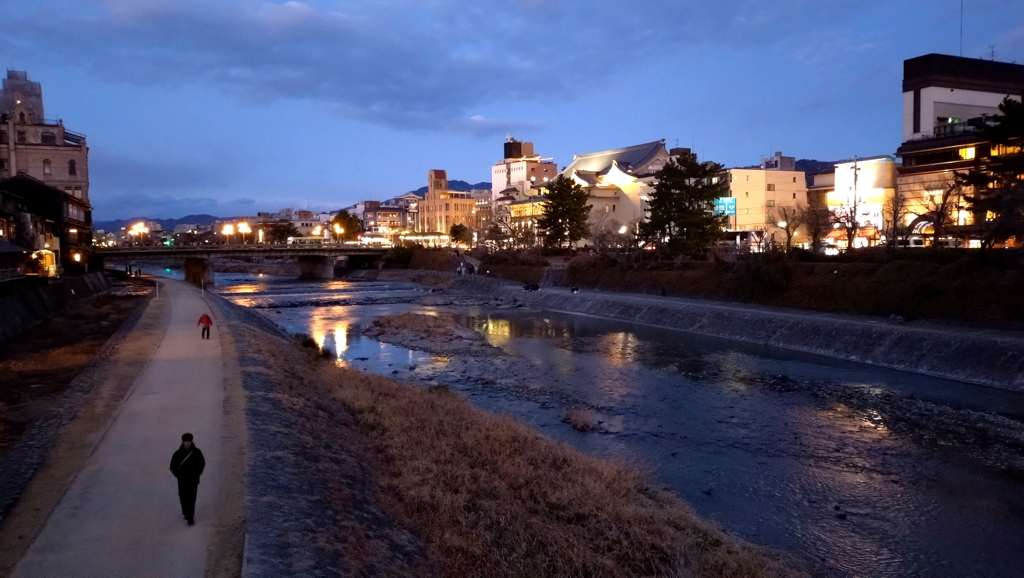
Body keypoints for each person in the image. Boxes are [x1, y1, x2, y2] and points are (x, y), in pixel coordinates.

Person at [169, 433, 206, 526]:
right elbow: (172, 466)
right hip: (182, 480)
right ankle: (186, 512)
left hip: (193, 479)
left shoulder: (197, 452)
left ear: (191, 441)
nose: (187, 444)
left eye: (188, 441)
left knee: (192, 498)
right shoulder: (177, 454)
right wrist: (178, 475)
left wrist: (197, 473)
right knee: (183, 498)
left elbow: (202, 463)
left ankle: (190, 517)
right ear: (183, 442)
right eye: (185, 442)